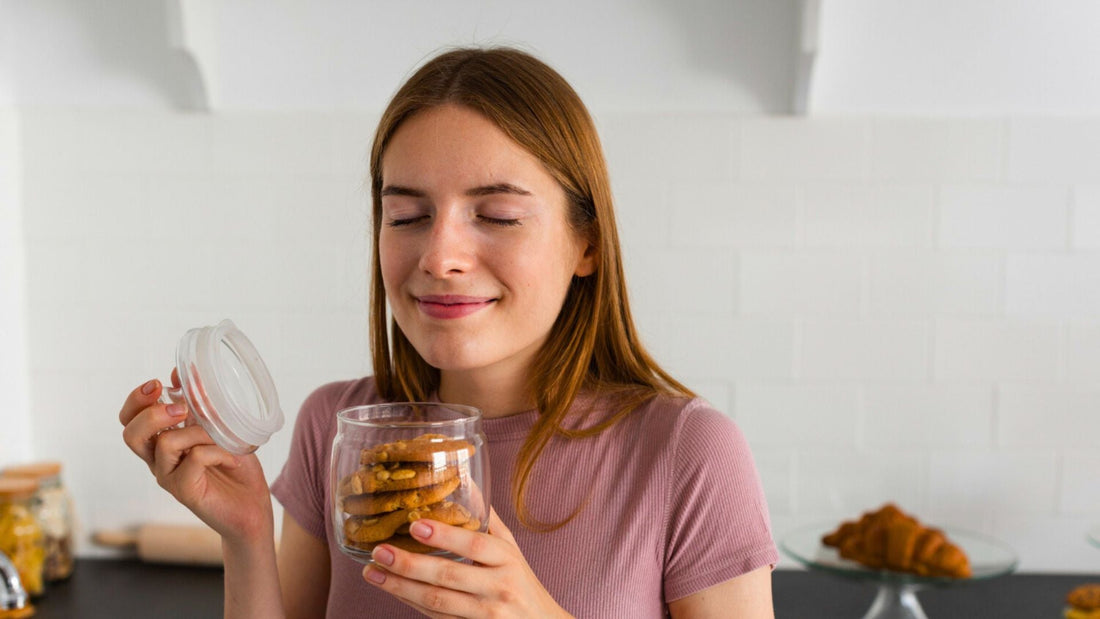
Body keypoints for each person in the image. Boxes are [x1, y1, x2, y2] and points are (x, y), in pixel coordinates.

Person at [119, 46, 777, 618]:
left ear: (588, 244)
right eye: (406, 216)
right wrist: (246, 536)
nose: (440, 256)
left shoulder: (687, 453)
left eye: (495, 214)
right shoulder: (337, 426)